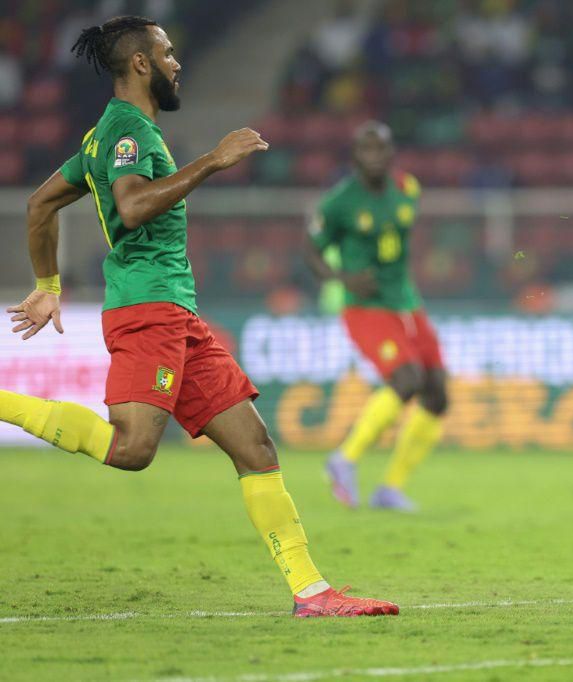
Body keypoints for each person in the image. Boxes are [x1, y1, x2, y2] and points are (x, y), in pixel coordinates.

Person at [0, 16, 397, 619]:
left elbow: (40, 204)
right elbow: (131, 208)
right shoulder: (127, 131)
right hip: (148, 310)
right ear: (140, 64)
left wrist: (48, 285)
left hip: (178, 315)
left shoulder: (105, 135)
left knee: (257, 448)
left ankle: (313, 594)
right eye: (167, 52)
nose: (177, 62)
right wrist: (213, 160)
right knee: (133, 450)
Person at [307, 121, 447, 512]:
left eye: (380, 148)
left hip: (406, 301)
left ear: (391, 153)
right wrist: (341, 276)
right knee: (406, 379)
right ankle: (343, 459)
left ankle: (390, 489)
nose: (374, 156)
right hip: (364, 307)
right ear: (354, 156)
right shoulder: (339, 203)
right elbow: (311, 251)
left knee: (437, 394)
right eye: (366, 150)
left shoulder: (408, 190)